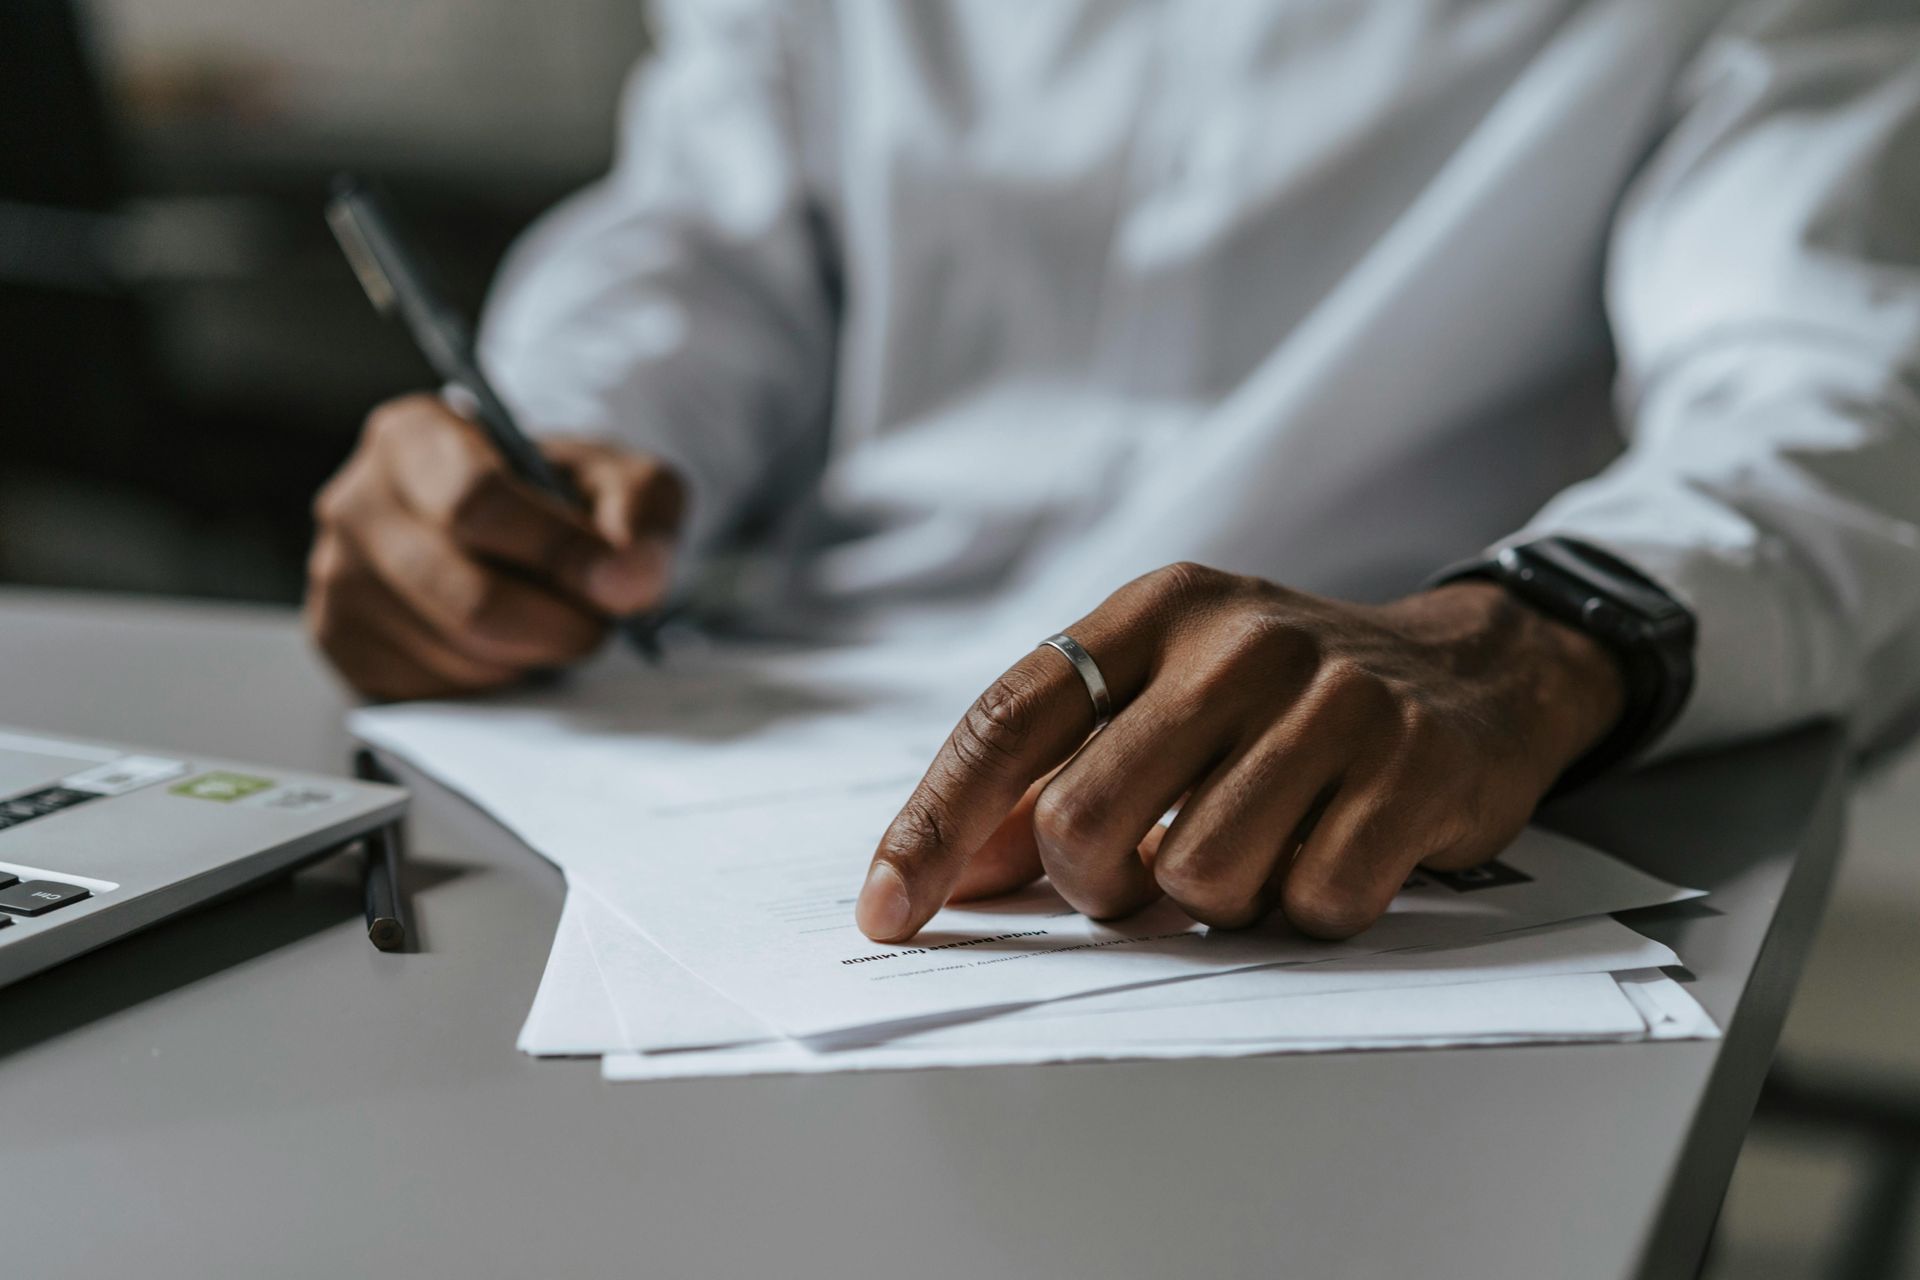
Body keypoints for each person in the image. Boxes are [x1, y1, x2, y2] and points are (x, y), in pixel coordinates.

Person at [306, 0, 1920, 946]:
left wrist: (1541, 630)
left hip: (1370, 835)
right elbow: (708, 234)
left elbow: (1835, 379)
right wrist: (555, 460)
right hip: (727, 755)